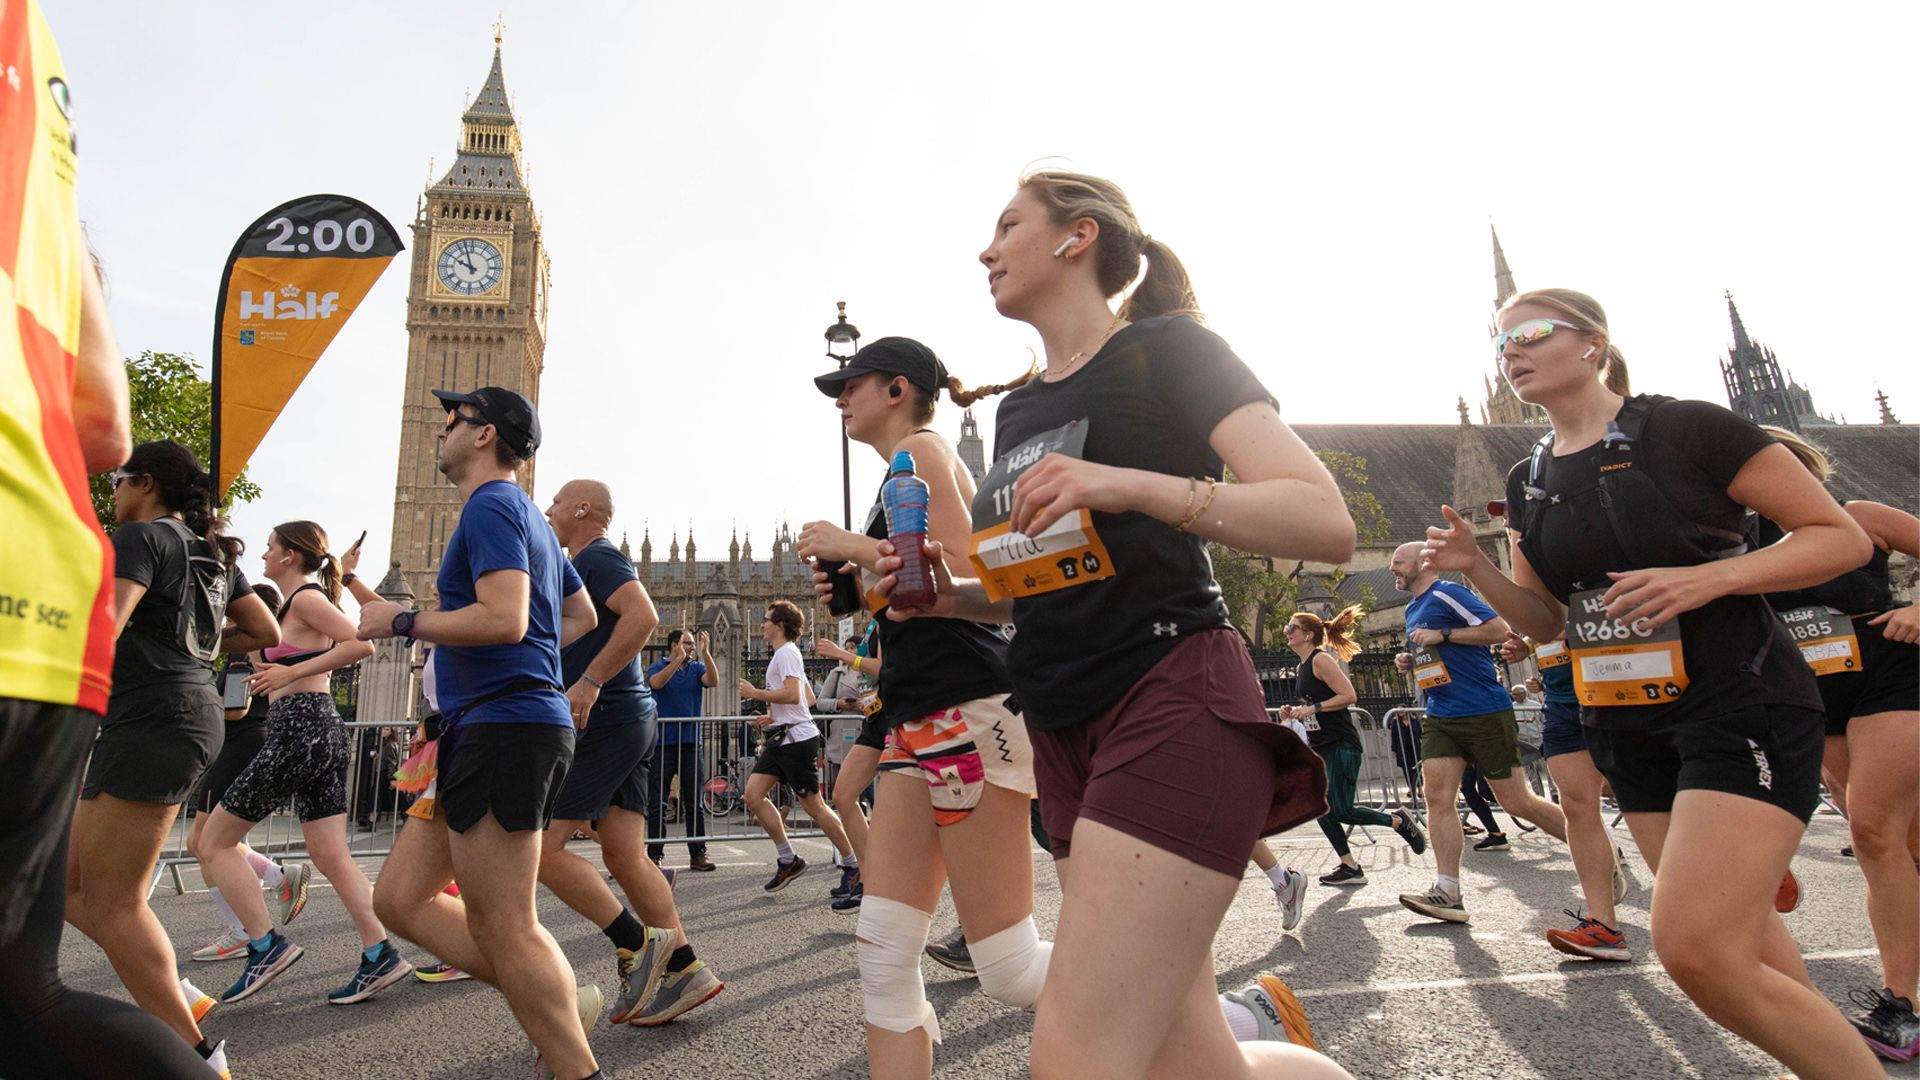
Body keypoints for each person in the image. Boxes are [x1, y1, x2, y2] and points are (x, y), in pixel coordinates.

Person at [871, 169, 1352, 1078]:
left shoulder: (1171, 349)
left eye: (1007, 224)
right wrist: (946, 590)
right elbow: (1022, 588)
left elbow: (1323, 520)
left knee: (1076, 1058)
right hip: (1063, 726)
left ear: (1076, 237)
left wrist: (1127, 485)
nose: (986, 248)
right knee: (1191, 1059)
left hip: (1169, 696)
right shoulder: (1021, 407)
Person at [1420, 287, 1881, 1077]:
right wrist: (1476, 571)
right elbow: (1544, 621)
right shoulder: (1527, 477)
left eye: (1528, 333)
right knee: (1749, 952)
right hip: (1626, 721)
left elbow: (1839, 541)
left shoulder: (1688, 428)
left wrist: (1709, 580)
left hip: (1738, 700)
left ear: (1593, 344)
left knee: (1695, 948)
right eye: (1500, 344)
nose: (1511, 352)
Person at [0, 13, 235, 1068]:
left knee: (99, 912)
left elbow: (127, 611)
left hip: (118, 698)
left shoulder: (146, 547)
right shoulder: (34, 72)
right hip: (42, 622)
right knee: (41, 963)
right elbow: (103, 419)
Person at [801, 333, 1040, 1077]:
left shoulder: (927, 453)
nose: (841, 400)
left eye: (852, 383)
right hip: (915, 715)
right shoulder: (898, 477)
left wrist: (855, 546)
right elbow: (905, 595)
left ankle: (1214, 1015)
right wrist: (857, 584)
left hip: (965, 706)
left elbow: (977, 580)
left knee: (1007, 968)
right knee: (883, 949)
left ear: (897, 389)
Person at [358, 386, 605, 1080]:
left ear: (483, 434)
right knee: (399, 897)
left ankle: (574, 1064)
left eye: (453, 419)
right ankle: (554, 1000)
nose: (440, 428)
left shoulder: (493, 504)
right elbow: (578, 615)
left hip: (504, 727)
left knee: (505, 925)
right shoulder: (528, 517)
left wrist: (402, 621)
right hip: (490, 724)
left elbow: (505, 619)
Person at [65, 440, 280, 1066]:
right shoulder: (211, 553)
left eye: (119, 481)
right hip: (181, 714)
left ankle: (197, 1057)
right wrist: (197, 647)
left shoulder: (141, 538)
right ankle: (177, 995)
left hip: (152, 718)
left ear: (148, 483)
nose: (113, 493)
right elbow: (263, 631)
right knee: (67, 886)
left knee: (112, 899)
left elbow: (103, 626)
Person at [1752, 426, 1919, 1060]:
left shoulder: (1860, 517)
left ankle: (1901, 1007)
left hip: (1893, 673)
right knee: (1900, 841)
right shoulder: (1739, 546)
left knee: (1874, 831)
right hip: (1814, 697)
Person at [195, 521, 408, 1005]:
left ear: (290, 555)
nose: (264, 556)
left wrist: (290, 669)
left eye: (270, 548)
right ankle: (380, 954)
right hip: (317, 730)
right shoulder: (288, 607)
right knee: (331, 854)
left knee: (214, 841)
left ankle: (265, 946)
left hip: (302, 730)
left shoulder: (306, 599)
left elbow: (361, 644)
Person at [541, 479, 723, 1027]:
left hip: (609, 719)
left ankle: (636, 948)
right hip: (631, 719)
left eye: (554, 501)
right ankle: (686, 969)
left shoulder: (595, 557)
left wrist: (592, 682)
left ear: (581, 509)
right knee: (624, 853)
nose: (547, 509)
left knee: (541, 849)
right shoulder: (583, 564)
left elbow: (644, 617)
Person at [1387, 541, 1568, 923]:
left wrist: (1446, 635)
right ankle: (1448, 891)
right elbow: (1432, 651)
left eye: (1398, 563)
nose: (1393, 570)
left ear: (1422, 562)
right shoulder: (1411, 608)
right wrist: (1410, 659)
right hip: (1440, 712)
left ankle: (1598, 848)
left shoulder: (1448, 593)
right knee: (1436, 795)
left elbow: (1499, 630)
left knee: (1518, 802)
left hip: (1483, 709)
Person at [186, 582, 311, 964]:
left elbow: (236, 708)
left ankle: (244, 929)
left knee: (204, 842)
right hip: (242, 743)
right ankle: (276, 876)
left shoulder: (247, 652)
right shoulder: (257, 649)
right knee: (209, 841)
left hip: (241, 742)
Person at [1499, 629, 1633, 961]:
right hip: (1561, 702)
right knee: (1575, 804)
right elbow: (1539, 619)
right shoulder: (1532, 576)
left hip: (1615, 690)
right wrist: (1528, 643)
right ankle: (1604, 927)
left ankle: (1741, 862)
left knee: (1638, 791)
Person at [1278, 607, 1427, 887]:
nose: (1287, 632)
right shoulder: (1301, 666)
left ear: (1307, 635)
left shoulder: (1321, 660)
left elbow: (1349, 695)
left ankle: (1397, 820)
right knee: (1319, 807)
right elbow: (1315, 704)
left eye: (1291, 627)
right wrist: (1294, 711)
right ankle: (1349, 866)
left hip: (1341, 744)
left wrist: (1313, 708)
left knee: (1342, 809)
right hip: (1320, 745)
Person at [737, 600, 857, 892]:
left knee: (814, 806)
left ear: (779, 625)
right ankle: (788, 859)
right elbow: (808, 699)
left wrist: (755, 692)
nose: (761, 624)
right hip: (782, 737)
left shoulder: (787, 654)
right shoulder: (785, 655)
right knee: (753, 795)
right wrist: (774, 716)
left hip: (797, 741)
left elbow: (793, 695)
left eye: (766, 620)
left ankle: (854, 864)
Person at [812, 631, 883, 911]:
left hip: (896, 715)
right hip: (875, 719)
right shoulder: (876, 622)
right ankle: (868, 880)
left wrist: (843, 655)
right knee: (843, 795)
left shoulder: (893, 612)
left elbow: (887, 668)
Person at [645, 628, 719, 871]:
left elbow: (714, 680)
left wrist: (706, 653)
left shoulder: (696, 668)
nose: (691, 647)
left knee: (694, 802)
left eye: (692, 644)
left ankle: (698, 854)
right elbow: (656, 684)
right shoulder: (657, 667)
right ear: (674, 645)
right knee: (658, 802)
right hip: (662, 744)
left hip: (690, 743)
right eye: (687, 643)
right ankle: (655, 855)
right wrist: (677, 660)